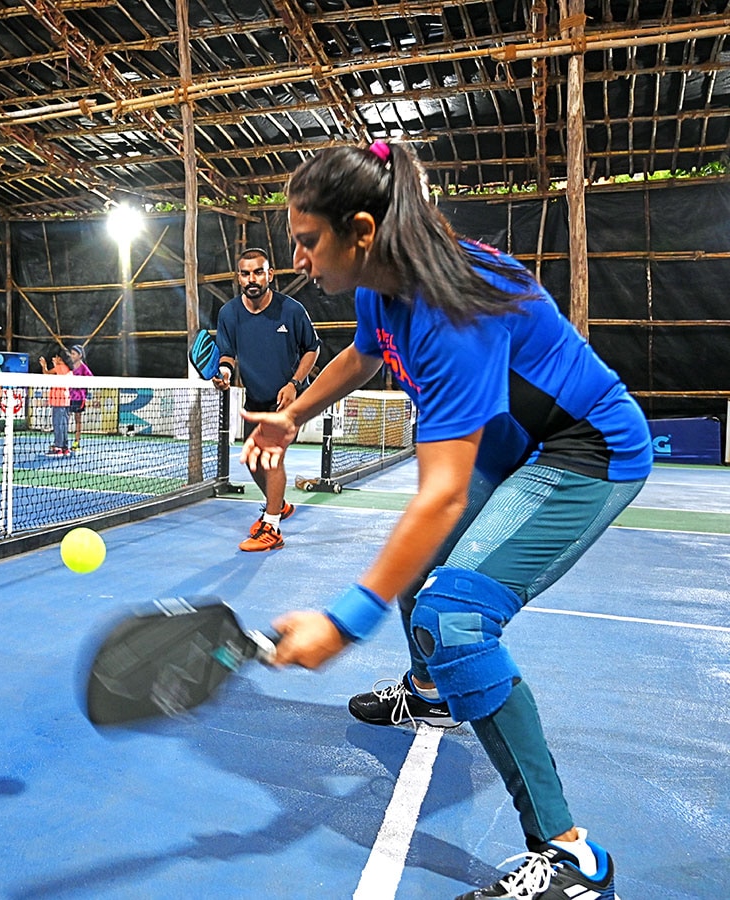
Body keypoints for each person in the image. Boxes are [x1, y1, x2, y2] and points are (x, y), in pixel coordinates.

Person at [244, 141, 651, 900]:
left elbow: (441, 497)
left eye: (307, 241)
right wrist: (292, 415)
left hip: (585, 447)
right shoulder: (378, 283)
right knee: (418, 577)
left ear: (361, 230)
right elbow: (362, 359)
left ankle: (573, 859)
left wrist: (340, 624)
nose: (296, 259)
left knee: (453, 614)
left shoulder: (449, 309)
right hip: (517, 440)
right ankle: (432, 696)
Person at [213, 247, 320, 552]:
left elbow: (312, 348)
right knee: (252, 459)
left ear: (270, 274)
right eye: (246, 273)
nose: (252, 279)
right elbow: (227, 354)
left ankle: (271, 527)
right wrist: (224, 373)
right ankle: (280, 505)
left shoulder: (292, 310)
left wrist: (294, 383)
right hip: (255, 399)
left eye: (258, 271)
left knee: (271, 454)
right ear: (238, 278)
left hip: (289, 399)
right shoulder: (229, 314)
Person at [39, 349, 72, 455]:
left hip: (58, 401)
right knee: (64, 424)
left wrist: (44, 365)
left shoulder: (59, 368)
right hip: (66, 400)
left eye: (56, 357)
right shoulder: (68, 369)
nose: (54, 358)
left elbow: (46, 374)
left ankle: (58, 447)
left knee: (58, 424)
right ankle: (65, 447)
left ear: (60, 358)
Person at [67, 344, 92, 452]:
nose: (71, 356)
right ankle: (62, 442)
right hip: (69, 397)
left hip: (79, 399)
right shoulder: (70, 367)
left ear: (80, 355)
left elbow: (91, 379)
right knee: (65, 419)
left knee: (78, 420)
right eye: (71, 354)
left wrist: (81, 387)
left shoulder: (84, 368)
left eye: (73, 354)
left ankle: (76, 442)